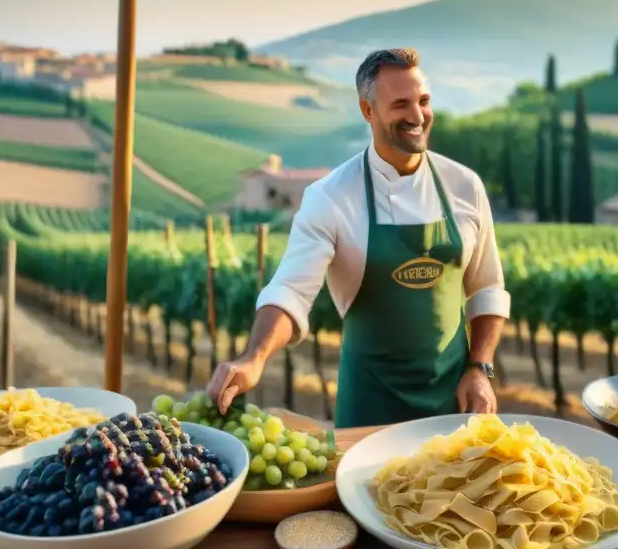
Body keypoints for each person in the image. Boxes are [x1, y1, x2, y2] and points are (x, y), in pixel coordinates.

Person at [207, 48, 511, 427]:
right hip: (370, 408)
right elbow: (290, 291)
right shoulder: (331, 196)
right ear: (368, 111)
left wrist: (479, 368)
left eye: (424, 101)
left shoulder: (465, 186)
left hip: (453, 405)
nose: (417, 116)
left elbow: (487, 289)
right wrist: (254, 357)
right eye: (401, 104)